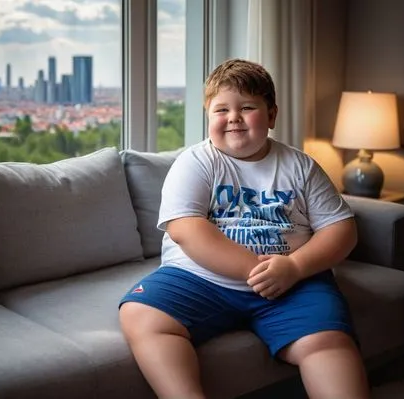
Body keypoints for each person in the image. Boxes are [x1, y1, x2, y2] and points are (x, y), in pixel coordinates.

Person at [119, 58, 371, 399]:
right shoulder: (197, 162)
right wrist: (257, 271)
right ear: (208, 117)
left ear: (271, 115)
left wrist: (295, 267)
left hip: (292, 280)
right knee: (141, 315)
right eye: (221, 109)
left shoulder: (300, 166)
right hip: (199, 277)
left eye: (247, 107)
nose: (233, 117)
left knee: (326, 343)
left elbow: (341, 230)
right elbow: (186, 228)